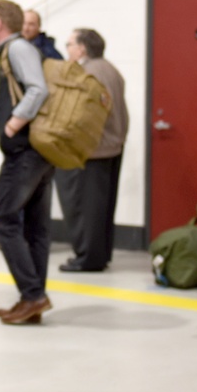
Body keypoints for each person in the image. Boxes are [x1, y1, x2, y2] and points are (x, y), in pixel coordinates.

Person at [0, 0, 54, 325]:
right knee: (34, 226)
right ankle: (33, 299)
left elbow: (37, 89)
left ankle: (33, 295)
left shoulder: (16, 48)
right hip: (35, 152)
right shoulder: (14, 49)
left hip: (25, 152)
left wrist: (14, 121)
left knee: (3, 220)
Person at [55, 28, 129, 272]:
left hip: (92, 150)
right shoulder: (110, 69)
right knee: (103, 207)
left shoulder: (86, 73)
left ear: (82, 48)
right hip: (113, 147)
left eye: (69, 44)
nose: (67, 50)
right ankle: (100, 255)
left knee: (86, 209)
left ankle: (87, 259)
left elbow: (82, 115)